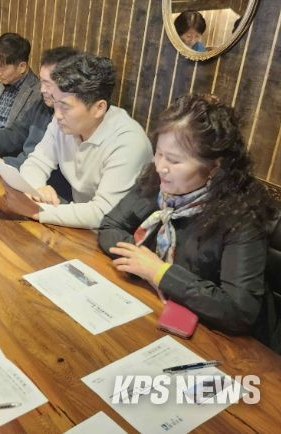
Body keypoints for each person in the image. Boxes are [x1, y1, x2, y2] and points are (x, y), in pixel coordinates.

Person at [98, 94, 274, 335]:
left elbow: (239, 311)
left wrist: (159, 272)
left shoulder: (242, 216)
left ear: (214, 166)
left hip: (218, 338)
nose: (160, 167)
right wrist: (140, 260)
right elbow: (110, 226)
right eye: (159, 153)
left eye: (174, 160)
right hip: (154, 308)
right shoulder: (157, 181)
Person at [4, 53, 152, 229]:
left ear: (99, 108)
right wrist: (36, 190)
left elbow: (102, 212)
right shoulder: (64, 122)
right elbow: (36, 162)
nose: (57, 115)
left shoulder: (128, 142)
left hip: (116, 234)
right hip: (77, 225)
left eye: (65, 106)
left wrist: (37, 211)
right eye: (55, 103)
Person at [0, 46, 77, 176]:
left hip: (37, 178)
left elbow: (48, 166)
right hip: (26, 173)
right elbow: (14, 135)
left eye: (48, 84)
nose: (42, 90)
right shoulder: (41, 105)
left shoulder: (69, 119)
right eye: (42, 82)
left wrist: (4, 165)